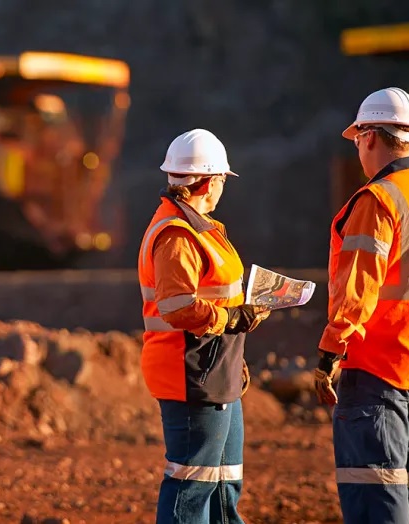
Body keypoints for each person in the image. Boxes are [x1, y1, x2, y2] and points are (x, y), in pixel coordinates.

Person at [313, 87, 409, 524]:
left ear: (368, 137)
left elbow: (357, 291)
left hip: (377, 368)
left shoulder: (378, 200)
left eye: (358, 141)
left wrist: (331, 351)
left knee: (375, 486)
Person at [137, 128, 270, 524]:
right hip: (191, 374)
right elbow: (178, 306)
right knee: (191, 487)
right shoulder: (176, 233)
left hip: (215, 370)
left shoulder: (198, 226)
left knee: (224, 483)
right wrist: (232, 318)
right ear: (212, 182)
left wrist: (239, 319)